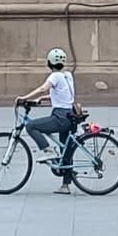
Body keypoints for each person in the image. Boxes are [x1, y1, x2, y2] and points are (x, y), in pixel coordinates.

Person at [18, 47, 82, 194]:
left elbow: (43, 88)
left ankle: (47, 150)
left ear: (49, 63)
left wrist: (24, 97)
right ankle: (65, 185)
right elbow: (63, 94)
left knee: (31, 126)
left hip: (60, 117)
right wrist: (45, 98)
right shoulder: (67, 76)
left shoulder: (54, 76)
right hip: (70, 116)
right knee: (65, 150)